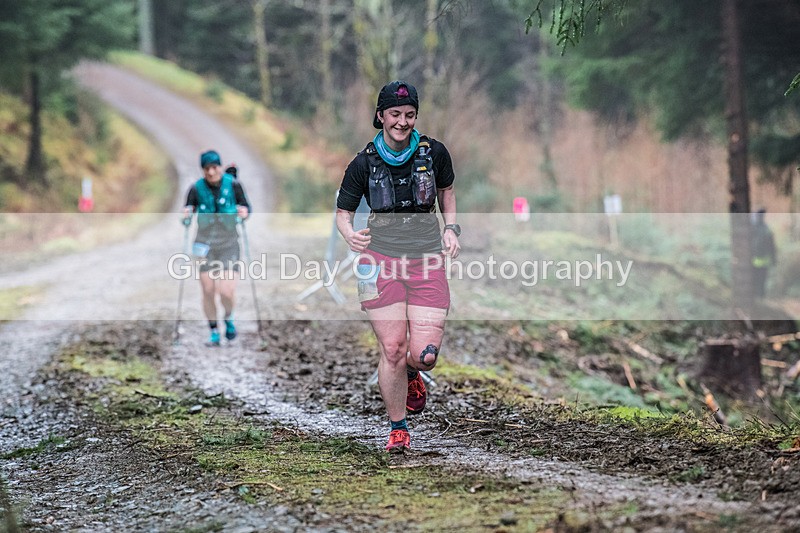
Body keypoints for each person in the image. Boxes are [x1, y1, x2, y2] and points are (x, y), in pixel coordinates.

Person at [336, 81, 460, 453]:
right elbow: (343, 213)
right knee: (392, 347)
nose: (402, 122)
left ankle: (412, 373)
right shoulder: (362, 162)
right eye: (395, 114)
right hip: (379, 261)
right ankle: (398, 429)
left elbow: (447, 193)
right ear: (380, 116)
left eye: (409, 115)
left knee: (425, 356)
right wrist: (349, 235)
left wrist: (451, 228)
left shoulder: (434, 153)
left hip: (426, 260)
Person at [182, 150, 251, 345]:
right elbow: (187, 213)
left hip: (229, 244)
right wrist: (186, 215)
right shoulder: (195, 189)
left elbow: (247, 208)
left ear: (220, 167)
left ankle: (228, 318)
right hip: (203, 245)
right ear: (202, 170)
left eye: (214, 167)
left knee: (226, 291)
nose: (211, 172)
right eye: (207, 169)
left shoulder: (234, 185)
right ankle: (213, 330)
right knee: (208, 290)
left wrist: (244, 213)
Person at [751, 208, 777, 299]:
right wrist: (774, 260)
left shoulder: (752, 228)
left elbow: (771, 246)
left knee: (757, 281)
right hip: (762, 261)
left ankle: (758, 298)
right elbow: (772, 247)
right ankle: (760, 298)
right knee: (761, 282)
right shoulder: (766, 229)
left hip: (756, 261)